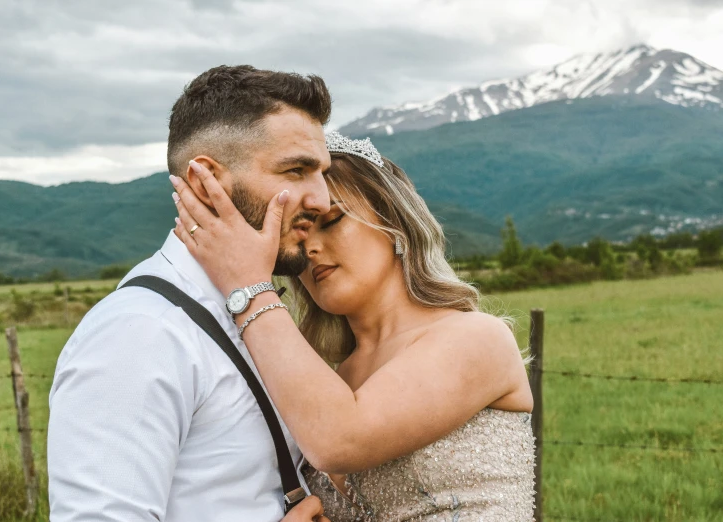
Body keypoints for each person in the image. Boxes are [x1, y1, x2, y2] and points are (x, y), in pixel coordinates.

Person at [170, 131, 536, 520]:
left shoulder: (475, 338)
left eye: (330, 221)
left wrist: (247, 286)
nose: (310, 249)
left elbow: (340, 439)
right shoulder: (333, 379)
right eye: (298, 235)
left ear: (393, 220)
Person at [47, 65, 336, 522]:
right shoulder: (140, 334)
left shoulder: (261, 310)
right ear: (206, 182)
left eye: (321, 173)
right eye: (296, 170)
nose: (321, 199)